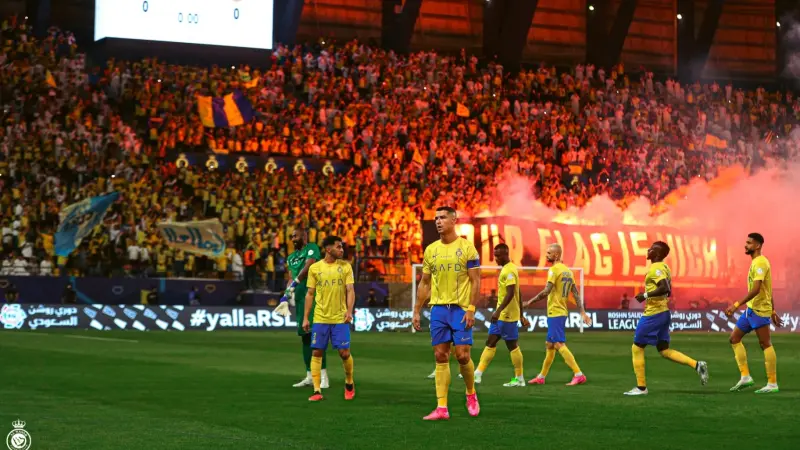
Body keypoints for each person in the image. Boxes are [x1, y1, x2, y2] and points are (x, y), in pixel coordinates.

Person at [413, 206, 481, 421]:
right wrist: (416, 309)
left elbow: (475, 281)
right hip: (439, 309)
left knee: (462, 355)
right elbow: (424, 282)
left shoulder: (467, 248)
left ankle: (471, 393)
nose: (438, 221)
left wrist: (471, 309)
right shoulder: (431, 250)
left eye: (443, 218)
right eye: (436, 218)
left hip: (460, 309)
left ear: (454, 220)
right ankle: (442, 408)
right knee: (440, 355)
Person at [624, 241, 709, 396]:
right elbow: (668, 292)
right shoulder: (665, 267)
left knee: (637, 347)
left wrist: (645, 295)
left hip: (653, 314)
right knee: (663, 350)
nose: (648, 250)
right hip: (663, 312)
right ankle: (697, 365)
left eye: (651, 249)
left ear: (656, 253)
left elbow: (665, 288)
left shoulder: (656, 268)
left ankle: (641, 388)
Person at [524, 244, 590, 386]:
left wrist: (530, 302)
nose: (546, 255)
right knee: (549, 344)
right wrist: (582, 312)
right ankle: (541, 377)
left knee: (558, 344)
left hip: (555, 311)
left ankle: (578, 374)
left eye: (549, 253)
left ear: (556, 255)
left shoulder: (554, 270)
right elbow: (576, 294)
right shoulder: (568, 271)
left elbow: (546, 291)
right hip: (561, 311)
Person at [725, 233, 783, 394]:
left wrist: (736, 305)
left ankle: (772, 384)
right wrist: (774, 310)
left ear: (757, 246)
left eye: (749, 243)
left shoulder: (761, 263)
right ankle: (745, 377)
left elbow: (757, 289)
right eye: (746, 242)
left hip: (759, 310)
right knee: (734, 338)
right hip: (751, 309)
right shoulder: (756, 262)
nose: (746, 245)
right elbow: (768, 289)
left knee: (765, 344)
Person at [303, 235, 356, 402]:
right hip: (320, 318)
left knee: (344, 353)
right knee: (317, 351)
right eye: (338, 247)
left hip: (340, 318)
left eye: (342, 247)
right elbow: (310, 294)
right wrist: (305, 317)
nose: (342, 250)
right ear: (328, 249)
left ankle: (349, 381)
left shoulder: (346, 267)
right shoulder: (315, 268)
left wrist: (349, 311)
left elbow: (350, 290)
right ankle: (317, 390)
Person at [474, 243, 530, 387]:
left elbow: (512, 293)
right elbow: (519, 293)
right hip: (502, 314)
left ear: (506, 254)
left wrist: (498, 311)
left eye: (498, 255)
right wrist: (522, 315)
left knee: (512, 345)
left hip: (506, 315)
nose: (496, 259)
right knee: (490, 342)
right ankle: (478, 374)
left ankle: (519, 378)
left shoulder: (509, 270)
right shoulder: (506, 269)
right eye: (495, 255)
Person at [284, 228, 328, 389]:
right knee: (304, 337)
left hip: (313, 296)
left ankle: (323, 377)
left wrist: (295, 281)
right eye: (292, 236)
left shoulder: (312, 248)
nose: (293, 238)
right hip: (300, 300)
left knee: (316, 336)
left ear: (304, 236)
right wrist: (287, 293)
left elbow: (310, 266)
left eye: (296, 235)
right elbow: (290, 277)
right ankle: (310, 375)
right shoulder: (291, 257)